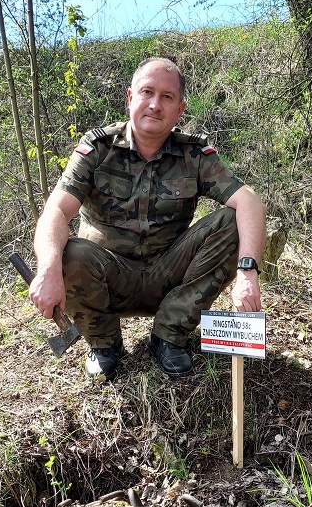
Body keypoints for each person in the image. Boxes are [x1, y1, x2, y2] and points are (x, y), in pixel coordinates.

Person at [29, 57, 267, 378]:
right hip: (109, 279)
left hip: (168, 277)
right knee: (69, 253)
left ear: (180, 109)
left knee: (231, 222)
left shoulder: (193, 155)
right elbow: (56, 211)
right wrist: (47, 270)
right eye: (147, 92)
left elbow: (249, 201)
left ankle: (169, 336)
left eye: (167, 97)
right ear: (130, 98)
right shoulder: (98, 148)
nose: (155, 104)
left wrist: (247, 273)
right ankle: (104, 343)